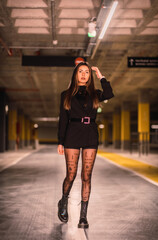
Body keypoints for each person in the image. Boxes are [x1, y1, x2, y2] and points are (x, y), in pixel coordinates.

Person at [57, 61, 114, 228]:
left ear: (90, 76)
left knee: (86, 176)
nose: (83, 74)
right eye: (80, 71)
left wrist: (100, 75)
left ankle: (83, 217)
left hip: (90, 134)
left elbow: (109, 94)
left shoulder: (95, 94)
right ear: (76, 74)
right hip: (72, 134)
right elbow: (63, 119)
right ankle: (63, 202)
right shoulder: (66, 95)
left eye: (87, 72)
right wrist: (60, 141)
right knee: (71, 174)